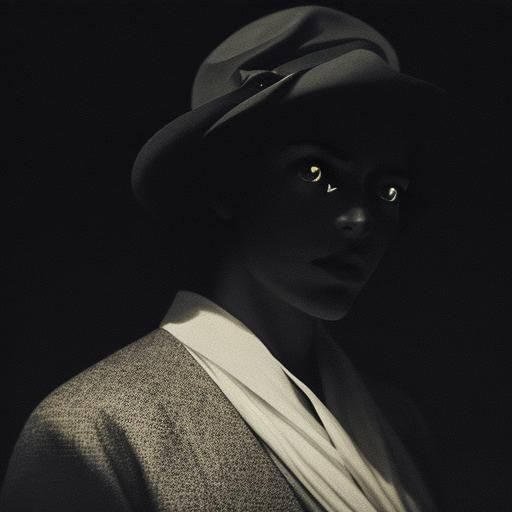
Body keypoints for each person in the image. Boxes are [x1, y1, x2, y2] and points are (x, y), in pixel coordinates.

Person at [0, 5, 448, 511]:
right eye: (317, 172)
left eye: (387, 190)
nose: (360, 219)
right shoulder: (95, 431)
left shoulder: (399, 423)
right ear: (227, 184)